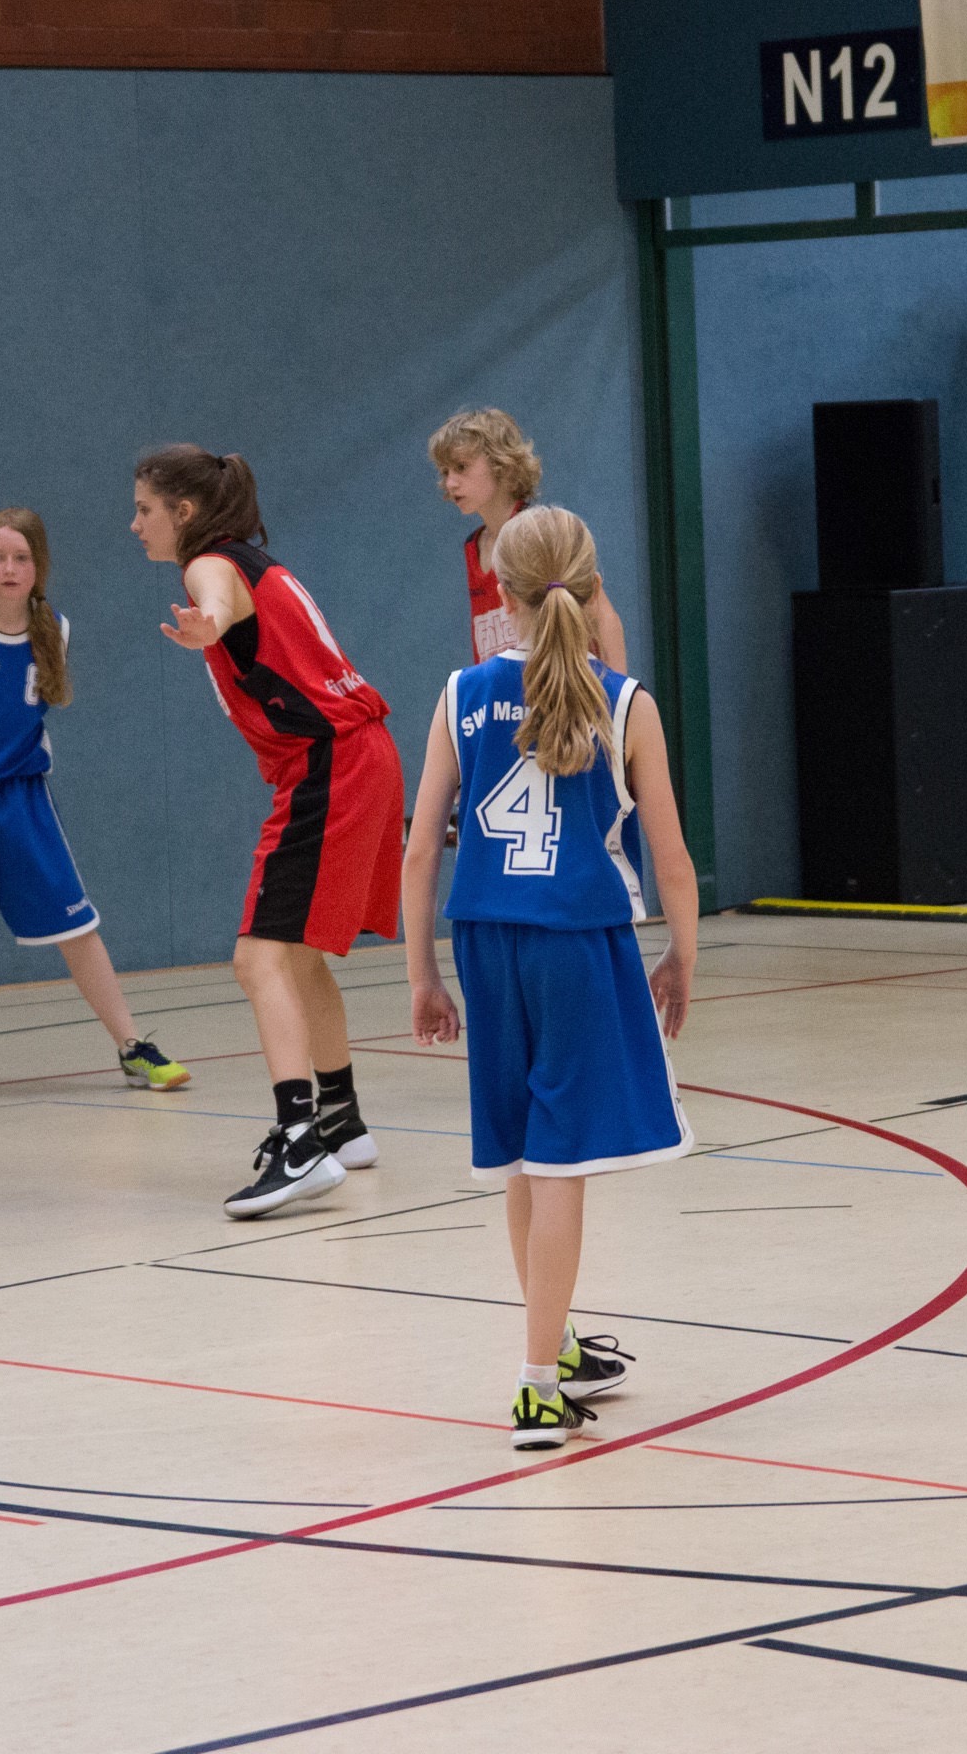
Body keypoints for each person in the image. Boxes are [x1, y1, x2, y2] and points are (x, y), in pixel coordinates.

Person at [404, 507, 696, 1449]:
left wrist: (421, 973)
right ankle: (536, 1386)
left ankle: (555, 1342)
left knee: (523, 1158)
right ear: (594, 587)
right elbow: (671, 856)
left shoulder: (461, 692)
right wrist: (683, 954)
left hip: (485, 944)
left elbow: (420, 851)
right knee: (561, 1162)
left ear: (501, 593)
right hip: (577, 941)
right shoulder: (625, 701)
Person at [135, 447, 405, 1218]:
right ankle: (340, 1119)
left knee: (257, 960)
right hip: (366, 753)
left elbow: (217, 599)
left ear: (184, 512)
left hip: (329, 764)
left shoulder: (210, 565)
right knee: (298, 955)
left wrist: (209, 626)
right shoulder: (258, 561)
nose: (136, 524)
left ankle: (299, 1141)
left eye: (145, 509)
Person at [0, 508, 190, 1106]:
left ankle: (132, 1046)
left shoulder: (53, 629)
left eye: (21, 558)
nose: (9, 568)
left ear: (38, 567)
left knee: (78, 930)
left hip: (22, 804)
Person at [430, 407, 629, 668]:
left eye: (461, 467)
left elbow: (604, 619)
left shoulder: (538, 533)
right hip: (509, 690)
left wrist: (619, 690)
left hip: (559, 685)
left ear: (502, 464)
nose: (450, 483)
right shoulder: (473, 547)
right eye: (445, 472)